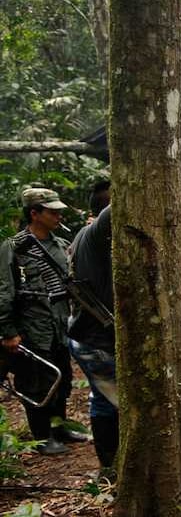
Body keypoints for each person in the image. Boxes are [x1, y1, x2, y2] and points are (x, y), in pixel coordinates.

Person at [0, 188, 83, 454]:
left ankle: (59, 428)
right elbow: (4, 291)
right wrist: (8, 331)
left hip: (58, 325)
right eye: (52, 212)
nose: (59, 216)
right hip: (31, 328)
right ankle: (42, 437)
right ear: (34, 214)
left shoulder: (59, 245)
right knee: (36, 382)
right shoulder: (13, 248)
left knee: (62, 378)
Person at [68, 203, 118, 474]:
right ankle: (109, 466)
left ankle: (111, 463)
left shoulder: (86, 236)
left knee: (105, 399)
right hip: (94, 340)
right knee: (111, 401)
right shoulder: (95, 234)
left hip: (89, 337)